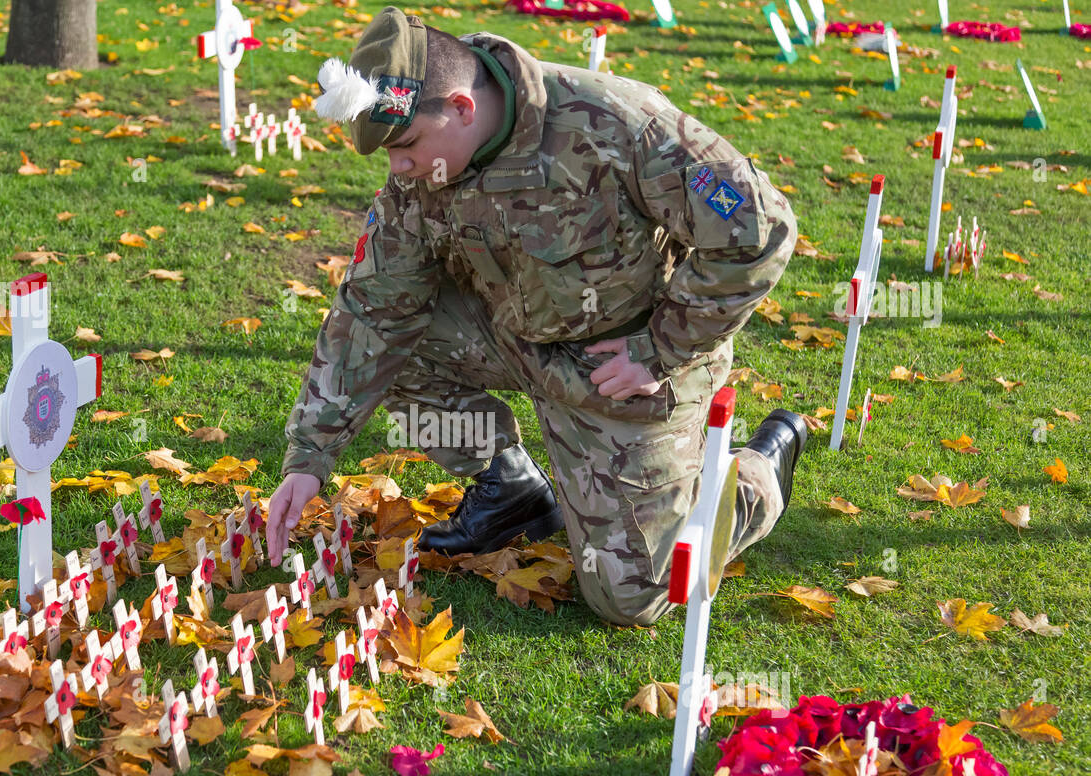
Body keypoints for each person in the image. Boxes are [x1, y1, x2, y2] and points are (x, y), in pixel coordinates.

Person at [264, 7, 808, 626]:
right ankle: (510, 489)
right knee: (398, 345)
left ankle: (757, 475)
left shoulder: (616, 123)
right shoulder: (421, 178)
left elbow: (758, 233)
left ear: (463, 108)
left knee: (632, 597)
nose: (398, 167)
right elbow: (371, 311)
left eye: (407, 144)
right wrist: (309, 458)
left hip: (623, 369)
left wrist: (661, 350)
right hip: (515, 337)